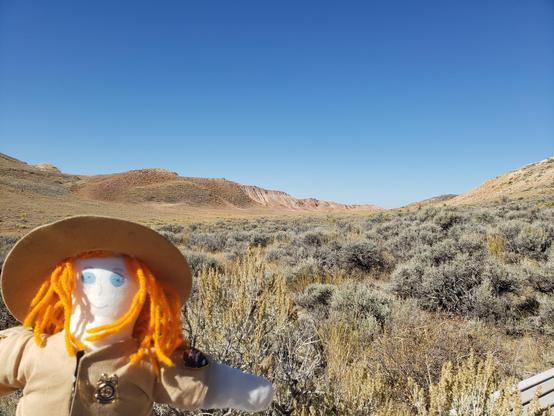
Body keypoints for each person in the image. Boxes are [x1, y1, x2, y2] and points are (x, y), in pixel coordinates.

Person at [0, 215, 273, 415]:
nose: (99, 290)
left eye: (118, 280)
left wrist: (255, 392)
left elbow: (199, 381)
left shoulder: (147, 363)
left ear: (145, 295)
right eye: (86, 278)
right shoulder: (33, 349)